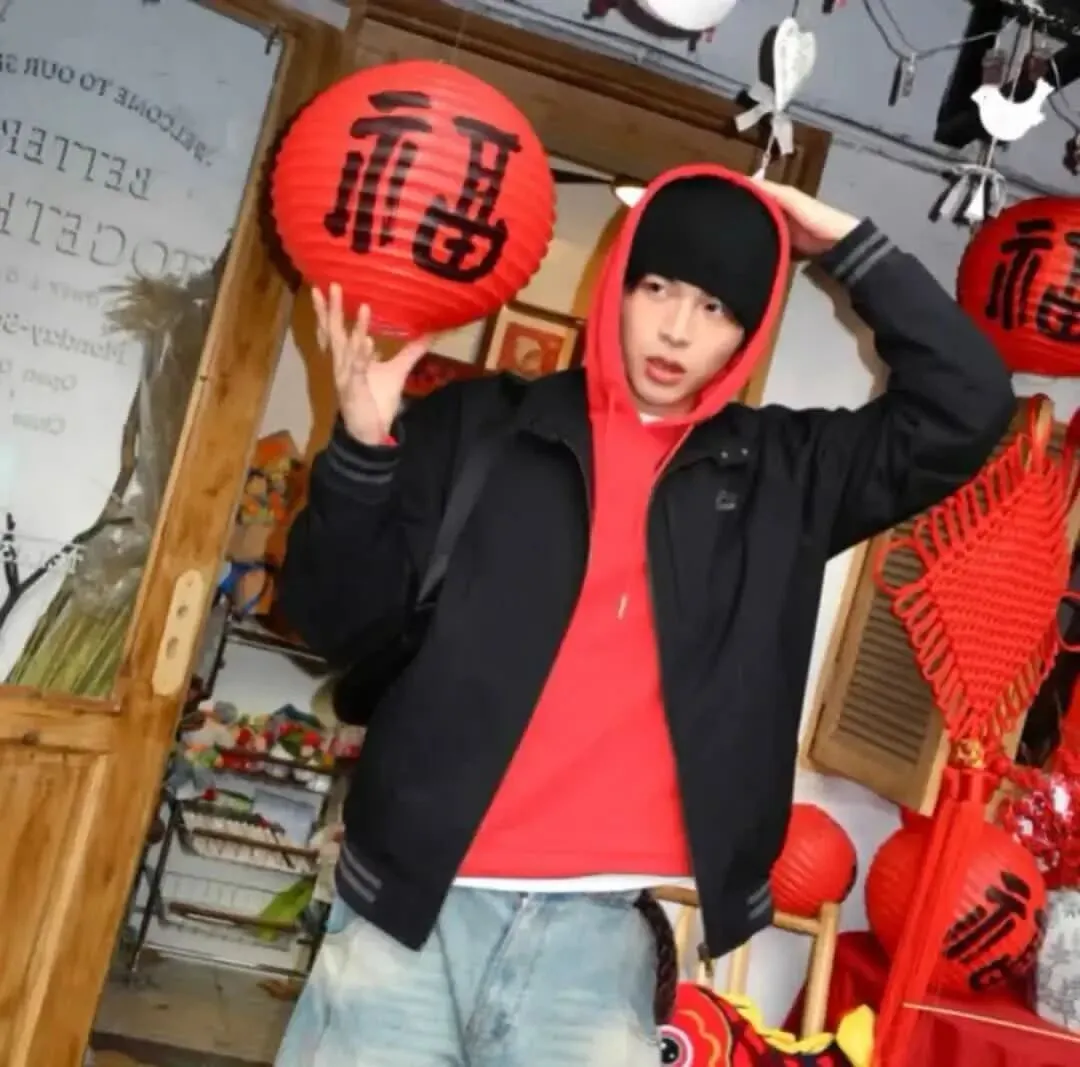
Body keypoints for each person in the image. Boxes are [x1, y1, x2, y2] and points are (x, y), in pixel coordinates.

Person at [273, 165, 1014, 1066]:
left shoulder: (781, 474)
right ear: (617, 284)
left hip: (596, 944)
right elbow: (331, 619)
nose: (676, 329)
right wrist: (360, 451)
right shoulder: (479, 428)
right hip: (405, 919)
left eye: (716, 307)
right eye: (657, 287)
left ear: (746, 331)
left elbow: (969, 405)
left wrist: (846, 244)